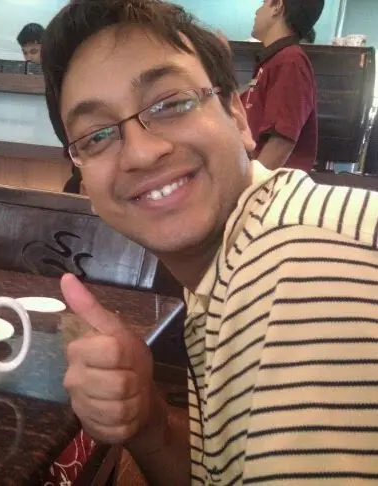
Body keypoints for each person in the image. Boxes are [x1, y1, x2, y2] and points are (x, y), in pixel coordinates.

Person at [41, 1, 378, 484]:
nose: (141, 153)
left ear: (238, 117)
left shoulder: (304, 266)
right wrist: (148, 421)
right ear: (84, 184)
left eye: (170, 103)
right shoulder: (237, 266)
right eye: (96, 136)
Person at [241, 0, 324, 172]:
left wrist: (253, 185)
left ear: (277, 6)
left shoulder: (290, 62)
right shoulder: (274, 61)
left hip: (272, 184)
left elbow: (281, 142)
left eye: (264, 3)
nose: (257, 11)